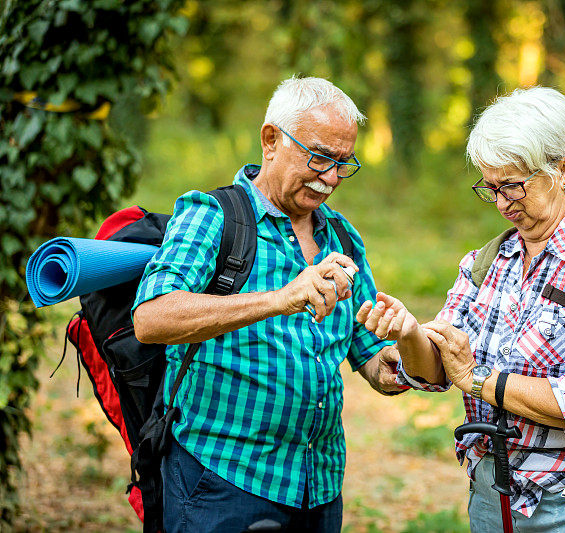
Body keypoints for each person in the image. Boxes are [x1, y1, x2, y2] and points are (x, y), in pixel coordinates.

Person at [357, 86, 565, 533]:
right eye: (490, 188)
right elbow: (436, 370)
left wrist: (479, 381)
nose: (501, 203)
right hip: (492, 494)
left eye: (514, 186)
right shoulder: (485, 262)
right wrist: (411, 334)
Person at [132, 76, 406, 533]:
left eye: (343, 163)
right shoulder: (213, 215)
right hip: (221, 481)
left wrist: (402, 360)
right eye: (319, 157)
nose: (331, 178)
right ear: (271, 139)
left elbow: (370, 356)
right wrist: (281, 299)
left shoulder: (341, 236)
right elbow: (152, 317)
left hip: (319, 487)